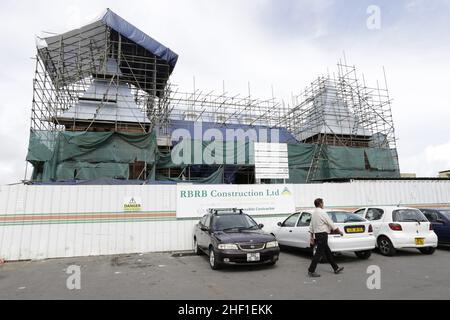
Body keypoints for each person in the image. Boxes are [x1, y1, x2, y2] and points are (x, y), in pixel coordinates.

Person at [308, 198, 344, 277]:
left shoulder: (314, 213)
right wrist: (339, 231)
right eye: (323, 203)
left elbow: (311, 226)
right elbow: (330, 223)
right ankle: (311, 270)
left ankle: (335, 268)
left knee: (328, 252)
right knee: (318, 254)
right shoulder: (322, 212)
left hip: (317, 235)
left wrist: (311, 237)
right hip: (323, 235)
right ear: (320, 203)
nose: (323, 204)